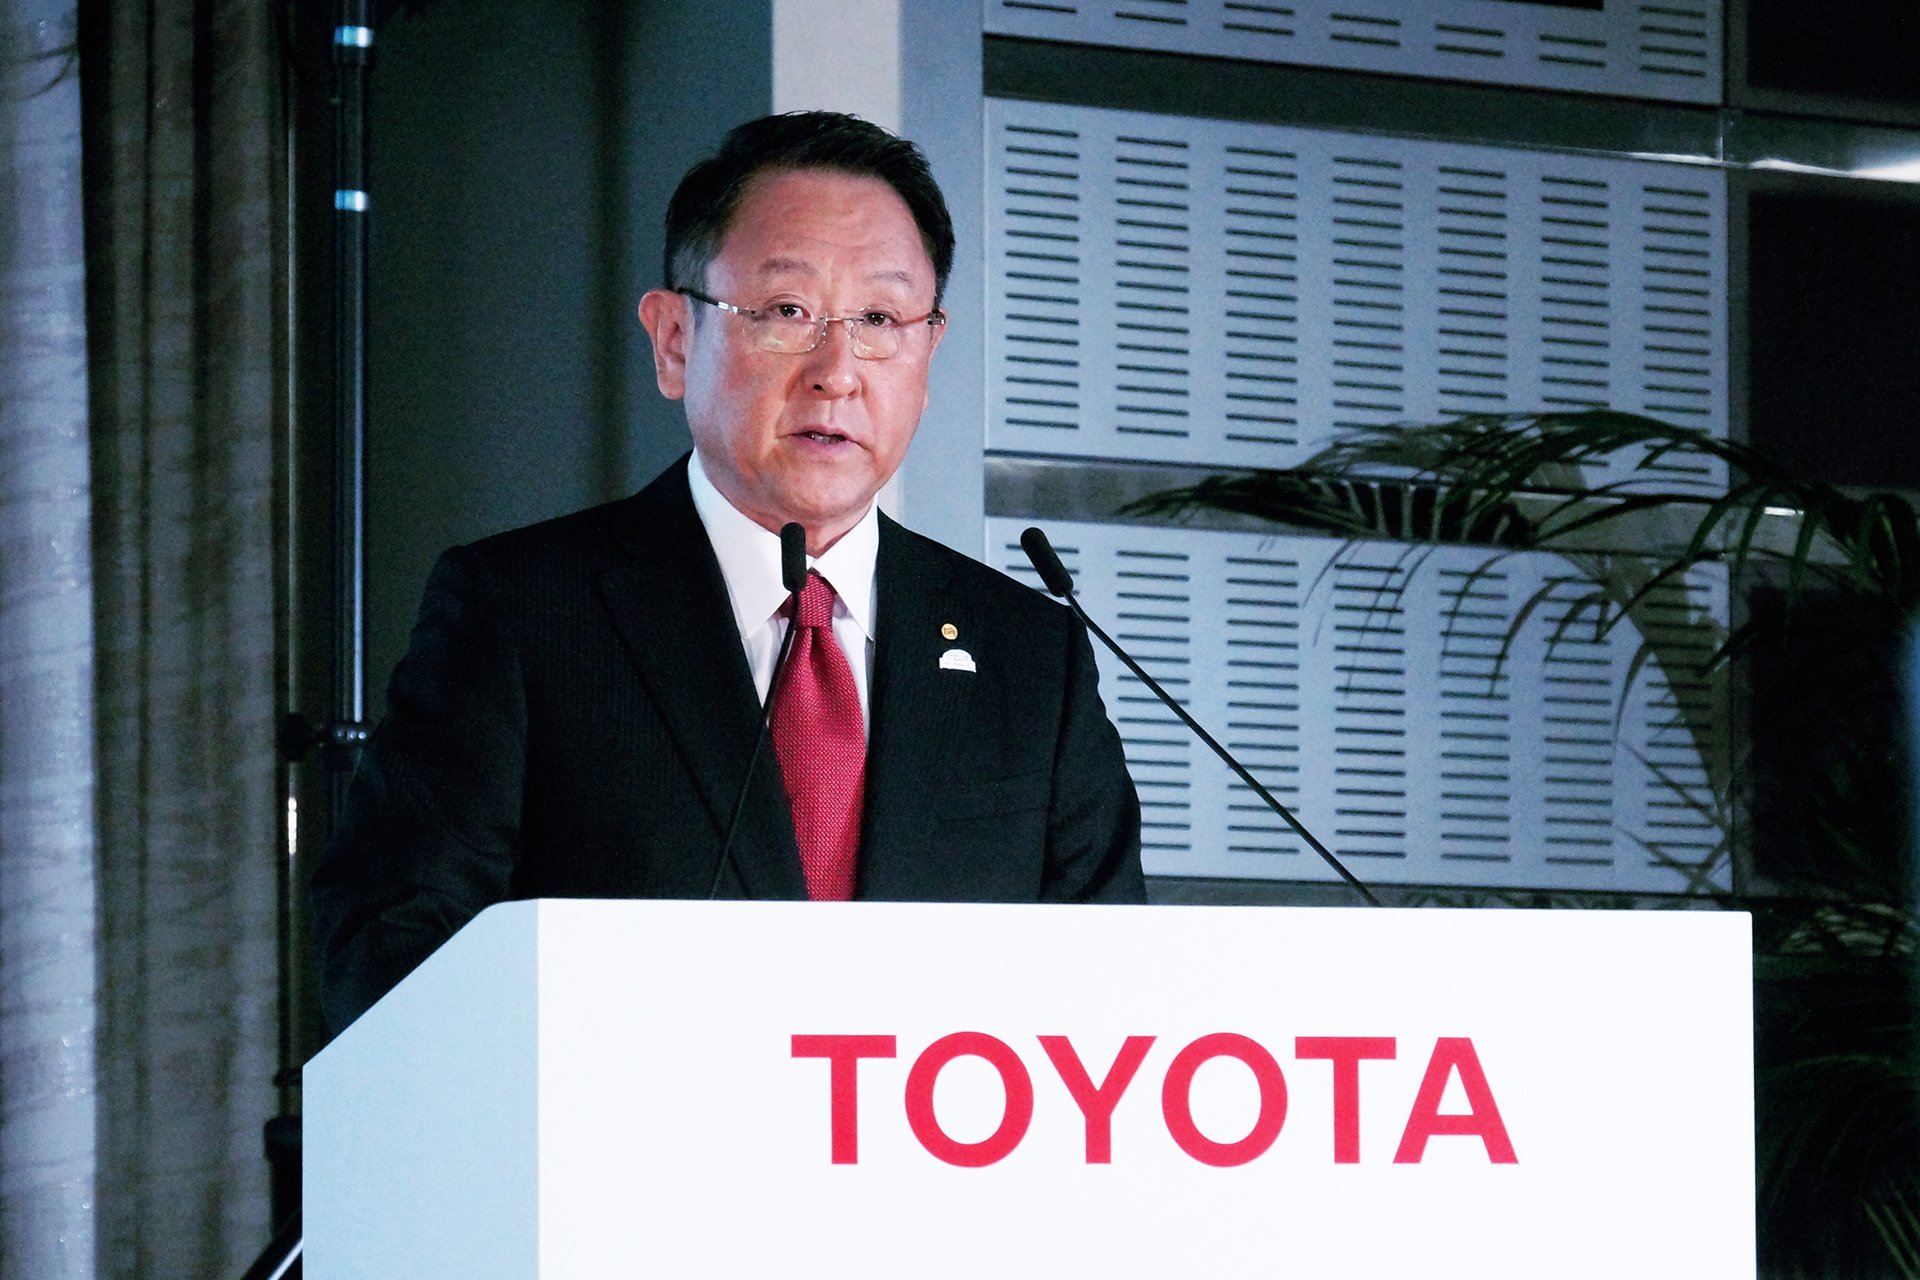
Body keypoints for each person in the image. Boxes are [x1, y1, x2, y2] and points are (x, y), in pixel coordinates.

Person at [310, 112, 1144, 1036]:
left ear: (929, 351)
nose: (838, 372)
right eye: (788, 313)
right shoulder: (520, 614)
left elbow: (1114, 1004)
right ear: (674, 340)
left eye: (879, 320)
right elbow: (391, 960)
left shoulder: (1031, 657)